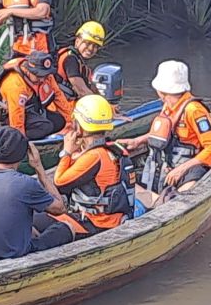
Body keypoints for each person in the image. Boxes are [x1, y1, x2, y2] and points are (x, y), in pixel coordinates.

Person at [32, 95, 135, 246]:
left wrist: (66, 153)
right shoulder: (111, 150)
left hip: (95, 224)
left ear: (79, 126)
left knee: (34, 218)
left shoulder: (94, 157)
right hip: (109, 219)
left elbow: (59, 182)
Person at [119, 60, 211, 208]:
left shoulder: (194, 110)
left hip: (189, 169)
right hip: (166, 166)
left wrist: (181, 169)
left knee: (178, 203)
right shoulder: (168, 107)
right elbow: (163, 134)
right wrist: (137, 141)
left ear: (160, 91)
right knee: (128, 183)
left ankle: (164, 204)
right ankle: (155, 202)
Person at [0, 126, 68, 264]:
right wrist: (38, 167)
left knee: (32, 221)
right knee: (66, 228)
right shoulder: (25, 183)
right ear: (22, 155)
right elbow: (60, 208)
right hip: (14, 256)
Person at [0, 50, 69, 139]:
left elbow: (58, 96)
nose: (43, 80)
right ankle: (12, 138)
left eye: (45, 75)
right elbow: (16, 120)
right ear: (28, 71)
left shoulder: (46, 76)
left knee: (60, 121)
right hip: (6, 118)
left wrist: (71, 121)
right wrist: (20, 141)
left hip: (28, 110)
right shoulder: (16, 85)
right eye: (39, 76)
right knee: (46, 127)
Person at [57, 21, 107, 99]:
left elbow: (92, 89)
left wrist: (107, 104)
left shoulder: (82, 65)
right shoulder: (70, 59)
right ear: (77, 41)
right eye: (87, 43)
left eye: (95, 46)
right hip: (62, 108)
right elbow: (82, 91)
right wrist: (102, 105)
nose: (91, 48)